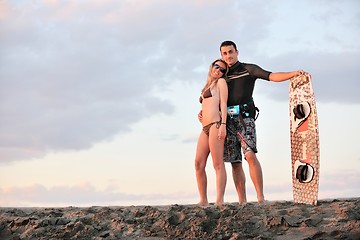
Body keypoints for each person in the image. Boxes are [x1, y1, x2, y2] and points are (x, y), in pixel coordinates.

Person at [219, 40, 306, 204]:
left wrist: (293, 74)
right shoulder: (221, 74)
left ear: (237, 52)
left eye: (231, 52)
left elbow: (271, 76)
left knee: (250, 155)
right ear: (221, 55)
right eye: (225, 53)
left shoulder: (248, 69)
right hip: (227, 122)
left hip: (245, 119)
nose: (228, 56)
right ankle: (242, 201)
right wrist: (204, 112)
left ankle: (260, 197)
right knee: (235, 162)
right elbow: (210, 94)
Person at [194, 59, 229, 206]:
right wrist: (200, 114)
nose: (219, 71)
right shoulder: (207, 85)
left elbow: (223, 104)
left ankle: (219, 200)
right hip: (205, 127)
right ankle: (203, 199)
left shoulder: (221, 82)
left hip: (215, 125)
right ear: (211, 67)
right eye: (217, 67)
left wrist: (223, 125)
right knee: (198, 164)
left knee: (217, 164)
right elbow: (207, 104)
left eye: (222, 70)